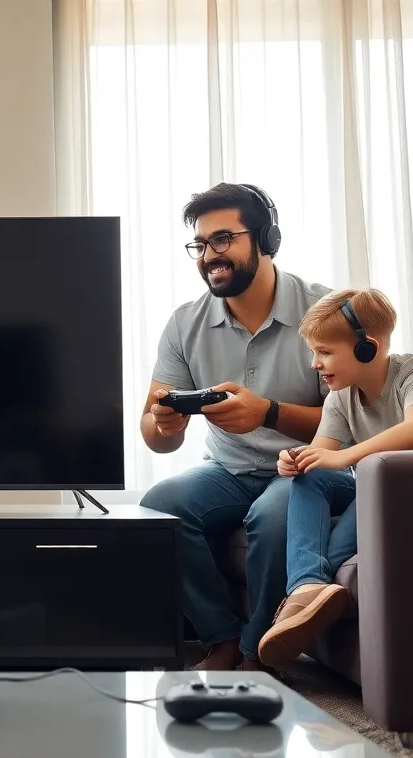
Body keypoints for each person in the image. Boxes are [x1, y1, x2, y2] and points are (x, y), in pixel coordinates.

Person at [138, 183, 332, 672]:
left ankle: (257, 654)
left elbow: (351, 425)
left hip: (307, 471)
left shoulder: (325, 312)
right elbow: (155, 437)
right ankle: (219, 639)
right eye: (200, 245)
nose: (209, 256)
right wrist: (165, 423)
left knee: (273, 517)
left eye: (223, 240)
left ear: (267, 239)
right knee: (158, 507)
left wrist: (267, 412)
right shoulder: (185, 323)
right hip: (227, 470)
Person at [257, 288, 413, 668]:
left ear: (366, 348)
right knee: (309, 476)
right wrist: (292, 461)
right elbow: (321, 455)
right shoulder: (340, 397)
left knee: (339, 548)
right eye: (313, 352)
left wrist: (344, 456)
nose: (314, 364)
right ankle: (306, 587)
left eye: (323, 351)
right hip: (379, 485)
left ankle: (309, 601)